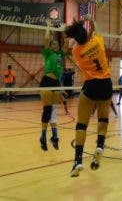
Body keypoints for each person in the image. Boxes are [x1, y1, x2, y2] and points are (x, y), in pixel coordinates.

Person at [65, 15, 113, 177]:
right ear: (87, 34)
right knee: (103, 119)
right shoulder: (98, 42)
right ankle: (100, 145)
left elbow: (82, 40)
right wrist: (91, 20)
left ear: (76, 39)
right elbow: (96, 30)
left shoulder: (76, 51)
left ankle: (78, 160)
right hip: (106, 84)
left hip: (91, 85)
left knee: (82, 124)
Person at [39, 19, 67, 151]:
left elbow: (66, 45)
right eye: (53, 44)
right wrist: (48, 27)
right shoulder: (48, 52)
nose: (55, 45)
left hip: (56, 83)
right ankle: (43, 136)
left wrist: (64, 31)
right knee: (47, 110)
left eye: (56, 43)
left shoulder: (60, 54)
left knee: (54, 111)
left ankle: (54, 136)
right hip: (47, 81)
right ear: (51, 46)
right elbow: (46, 40)